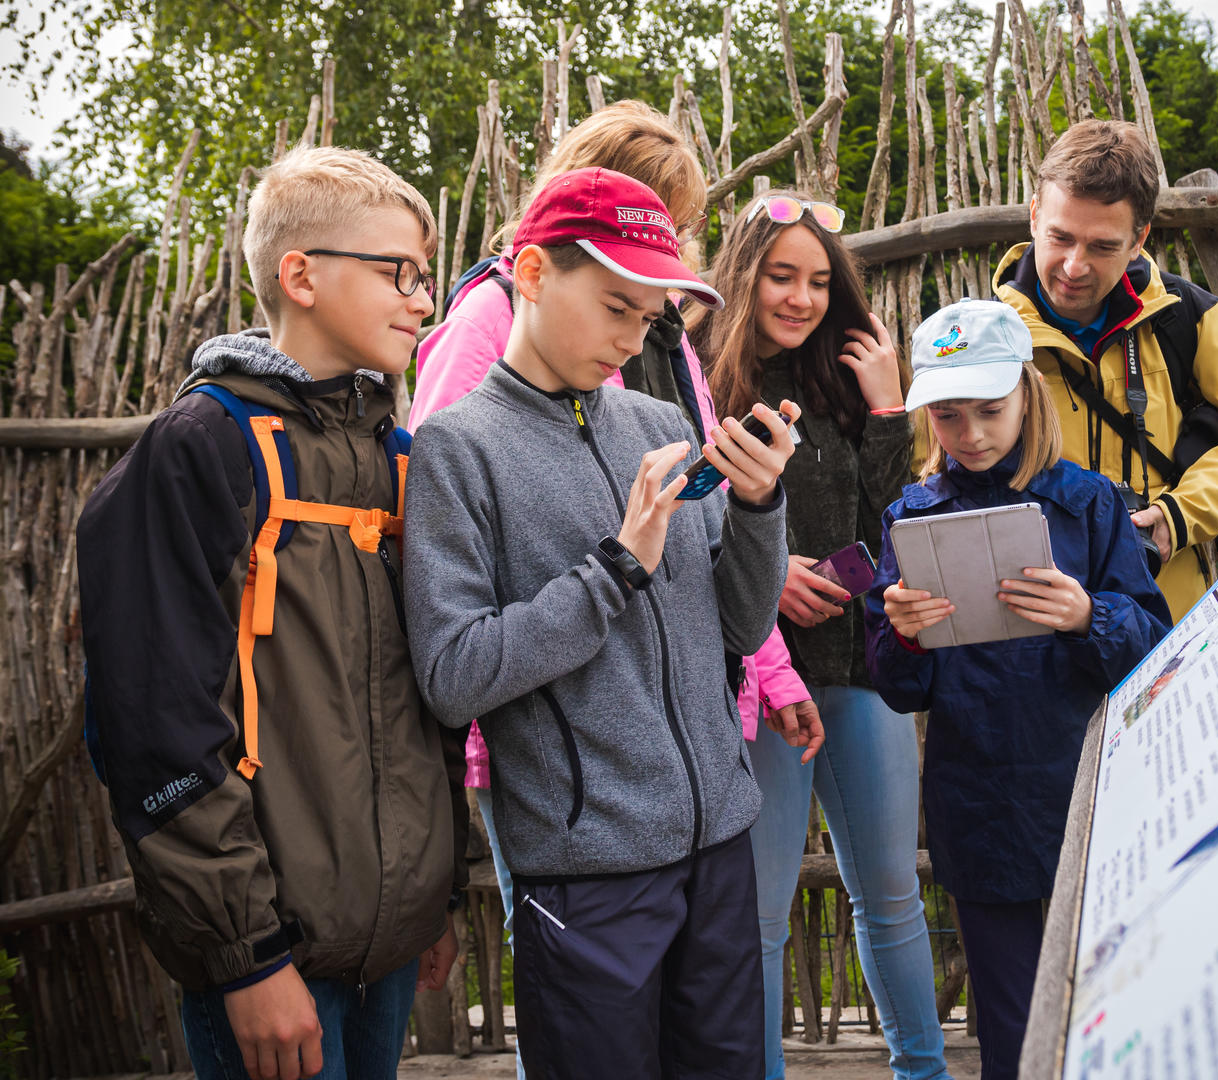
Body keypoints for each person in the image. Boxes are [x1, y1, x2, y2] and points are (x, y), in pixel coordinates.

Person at [77, 145, 464, 1080]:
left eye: (425, 276)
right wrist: (245, 957)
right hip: (267, 957)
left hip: (388, 950)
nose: (423, 300)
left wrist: (432, 900)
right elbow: (156, 727)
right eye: (399, 272)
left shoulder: (397, 456)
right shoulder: (200, 449)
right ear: (301, 276)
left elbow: (422, 704)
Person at [404, 167, 796, 1078]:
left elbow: (738, 630)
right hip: (584, 880)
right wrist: (616, 567)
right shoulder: (456, 450)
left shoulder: (660, 421)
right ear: (533, 273)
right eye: (616, 307)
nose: (630, 337)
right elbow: (454, 675)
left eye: (648, 317)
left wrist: (758, 509)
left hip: (720, 853)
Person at [866, 299, 1172, 1080]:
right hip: (978, 799)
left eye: (989, 410)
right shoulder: (909, 519)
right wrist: (904, 635)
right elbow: (898, 687)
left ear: (1027, 396)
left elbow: (1155, 647)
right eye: (948, 415)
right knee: (1007, 1014)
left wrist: (1089, 616)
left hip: (1090, 791)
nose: (970, 433)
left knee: (1113, 992)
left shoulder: (1093, 504)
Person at [690, 191, 951, 1080]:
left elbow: (893, 529)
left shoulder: (841, 380)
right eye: (780, 276)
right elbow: (678, 525)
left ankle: (924, 1072)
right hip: (756, 682)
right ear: (743, 275)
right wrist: (767, 572)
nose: (800, 298)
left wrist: (888, 411)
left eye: (817, 281)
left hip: (859, 666)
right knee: (760, 916)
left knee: (892, 895)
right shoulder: (695, 379)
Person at [994, 118, 1218, 620]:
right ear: (1034, 216)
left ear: (1139, 238)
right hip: (1035, 635)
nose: (1074, 266)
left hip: (1169, 626)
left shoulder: (1184, 315)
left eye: (1102, 246)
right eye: (1060, 237)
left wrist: (1179, 516)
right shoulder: (982, 335)